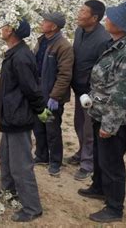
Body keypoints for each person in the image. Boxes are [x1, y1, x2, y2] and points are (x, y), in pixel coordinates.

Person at [78, 1, 126, 223]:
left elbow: (121, 94)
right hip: (99, 110)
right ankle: (98, 186)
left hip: (113, 117)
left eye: (111, 18)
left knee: (112, 163)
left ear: (121, 24)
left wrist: (109, 125)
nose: (107, 19)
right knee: (99, 155)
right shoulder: (113, 45)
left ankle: (114, 207)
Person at [0, 19, 45, 222]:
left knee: (21, 164)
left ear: (12, 31)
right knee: (4, 155)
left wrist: (41, 109)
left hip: (18, 117)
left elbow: (31, 88)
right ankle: (9, 191)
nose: (2, 28)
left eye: (6, 26)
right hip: (10, 116)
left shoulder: (21, 57)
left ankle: (32, 207)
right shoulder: (15, 53)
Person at [69, 0, 111, 181]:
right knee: (79, 124)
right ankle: (81, 152)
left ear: (94, 18)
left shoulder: (103, 39)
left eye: (83, 11)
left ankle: (88, 163)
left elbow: (103, 69)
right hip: (79, 88)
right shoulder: (80, 31)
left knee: (88, 128)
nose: (79, 14)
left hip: (92, 92)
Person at [33, 12, 74, 176]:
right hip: (39, 92)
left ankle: (55, 161)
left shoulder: (63, 46)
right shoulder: (42, 41)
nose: (42, 23)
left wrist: (55, 96)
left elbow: (64, 75)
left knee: (52, 129)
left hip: (50, 96)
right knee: (38, 126)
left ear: (54, 26)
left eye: (45, 21)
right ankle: (41, 155)